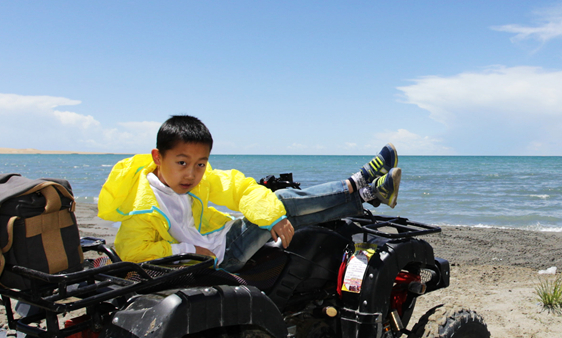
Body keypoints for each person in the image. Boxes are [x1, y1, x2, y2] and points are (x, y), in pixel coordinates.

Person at [98, 115, 400, 271]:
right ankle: (358, 186)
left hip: (221, 240)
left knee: (284, 209)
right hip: (218, 259)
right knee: (282, 203)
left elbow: (240, 187)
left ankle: (364, 193)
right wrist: (186, 252)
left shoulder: (199, 179)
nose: (191, 173)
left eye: (200, 164)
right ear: (157, 157)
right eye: (182, 163)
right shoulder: (142, 204)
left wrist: (270, 216)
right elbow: (132, 252)